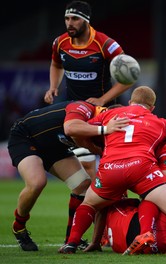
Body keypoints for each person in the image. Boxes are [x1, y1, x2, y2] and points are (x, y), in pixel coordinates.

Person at [59, 86, 166, 255]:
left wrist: (95, 144)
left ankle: (72, 243)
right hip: (142, 168)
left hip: (110, 169)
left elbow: (74, 130)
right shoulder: (157, 121)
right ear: (152, 107)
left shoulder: (109, 116)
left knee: (89, 204)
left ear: (129, 102)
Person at [7, 100, 126, 251]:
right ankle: (19, 226)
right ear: (108, 113)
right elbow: (70, 129)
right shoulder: (84, 108)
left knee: (82, 185)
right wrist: (104, 130)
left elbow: (86, 143)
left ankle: (71, 240)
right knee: (37, 182)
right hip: (25, 137)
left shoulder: (104, 126)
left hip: (55, 147)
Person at [43, 0, 132, 184]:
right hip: (75, 111)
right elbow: (56, 64)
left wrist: (101, 100)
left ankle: (114, 201)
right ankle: (94, 204)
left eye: (75, 18)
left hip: (104, 111)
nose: (69, 23)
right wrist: (53, 86)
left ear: (86, 20)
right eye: (67, 18)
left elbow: (128, 78)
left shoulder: (106, 44)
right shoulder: (60, 42)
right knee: (86, 165)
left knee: (114, 161)